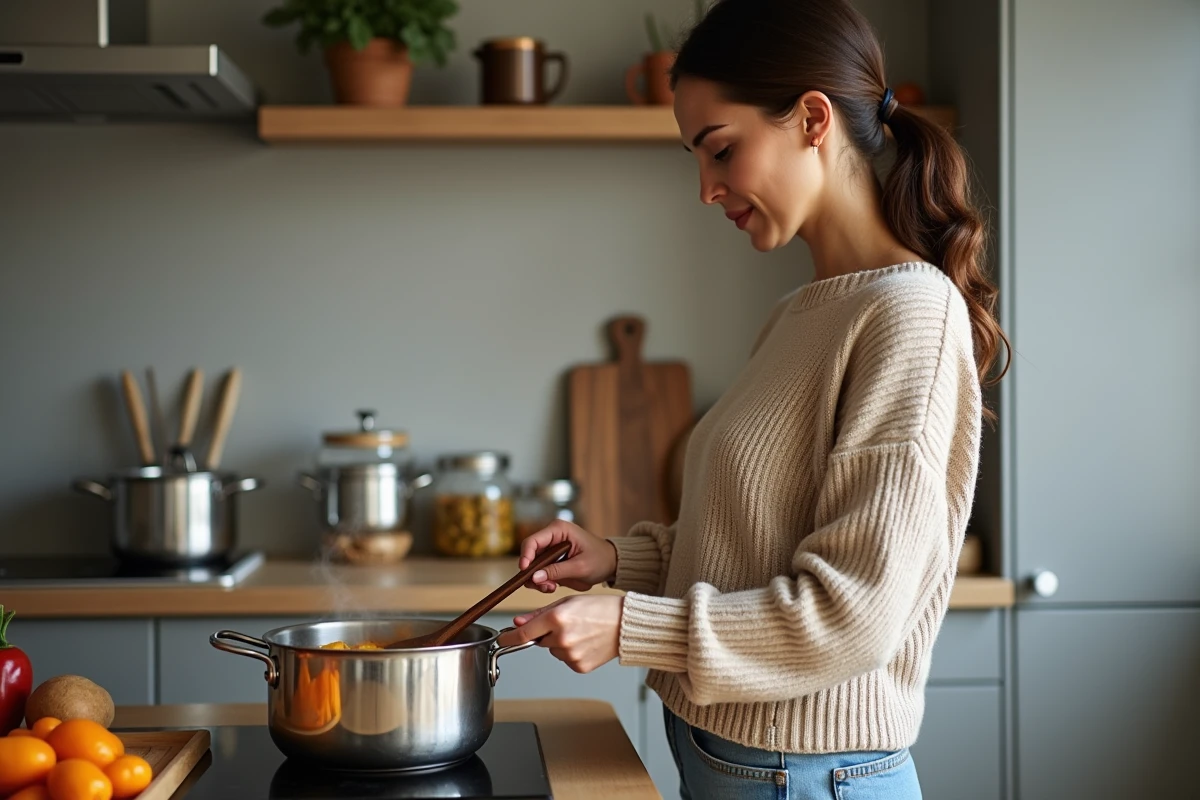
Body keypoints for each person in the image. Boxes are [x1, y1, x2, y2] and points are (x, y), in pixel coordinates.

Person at [497, 0, 1010, 797]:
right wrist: (616, 560)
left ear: (812, 119)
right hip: (740, 757)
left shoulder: (909, 313)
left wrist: (630, 625)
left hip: (807, 774)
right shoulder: (800, 314)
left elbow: (851, 615)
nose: (706, 189)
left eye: (721, 151)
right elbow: (747, 541)